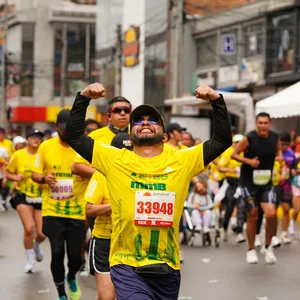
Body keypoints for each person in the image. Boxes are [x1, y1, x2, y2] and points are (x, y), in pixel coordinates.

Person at [64, 82, 231, 300]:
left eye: (152, 120)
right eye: (139, 121)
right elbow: (74, 136)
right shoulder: (114, 159)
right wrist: (84, 97)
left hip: (167, 263)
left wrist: (216, 101)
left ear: (164, 136)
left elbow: (222, 140)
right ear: (130, 136)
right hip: (126, 262)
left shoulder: (183, 159)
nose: (145, 123)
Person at [32, 109, 86, 300]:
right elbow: (34, 174)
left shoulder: (84, 146)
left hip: (77, 210)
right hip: (52, 209)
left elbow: (98, 170)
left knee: (75, 257)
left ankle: (71, 276)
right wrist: (45, 179)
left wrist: (86, 172)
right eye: (63, 128)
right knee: (56, 252)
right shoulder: (46, 146)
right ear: (57, 127)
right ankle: (61, 293)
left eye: (70, 128)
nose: (66, 132)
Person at [86, 132, 132, 300]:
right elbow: (89, 210)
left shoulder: (142, 175)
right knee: (107, 297)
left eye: (131, 152)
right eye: (123, 153)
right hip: (105, 241)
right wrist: (113, 207)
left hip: (130, 243)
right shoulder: (100, 175)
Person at [232, 112, 281, 264]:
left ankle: (268, 247)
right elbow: (234, 154)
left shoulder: (274, 137)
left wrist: (279, 157)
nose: (263, 126)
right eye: (260, 123)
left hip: (266, 182)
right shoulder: (249, 138)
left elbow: (278, 151)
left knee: (271, 214)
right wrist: (249, 161)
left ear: (270, 124)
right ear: (256, 124)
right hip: (249, 183)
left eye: (265, 123)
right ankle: (251, 249)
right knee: (252, 214)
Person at [6, 129, 45, 273]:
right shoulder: (18, 155)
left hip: (40, 197)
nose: (36, 139)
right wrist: (16, 178)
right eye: (33, 137)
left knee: (42, 233)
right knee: (29, 228)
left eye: (39, 137)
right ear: (27, 139)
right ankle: (30, 261)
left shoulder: (43, 155)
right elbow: (9, 173)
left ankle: (36, 245)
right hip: (22, 195)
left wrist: (44, 182)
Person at [218, 133, 245, 244]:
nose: (238, 144)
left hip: (242, 183)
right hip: (230, 183)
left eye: (240, 142)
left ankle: (239, 232)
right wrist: (232, 171)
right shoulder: (228, 152)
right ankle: (224, 228)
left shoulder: (245, 152)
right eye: (236, 142)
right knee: (229, 207)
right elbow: (220, 167)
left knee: (241, 207)